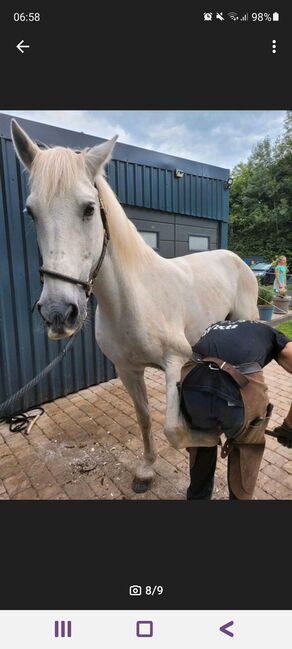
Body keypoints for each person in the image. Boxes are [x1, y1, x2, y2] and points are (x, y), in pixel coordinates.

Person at [177, 319, 292, 500]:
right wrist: (289, 426)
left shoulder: (216, 324)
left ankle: (197, 497)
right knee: (247, 446)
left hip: (193, 385)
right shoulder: (273, 334)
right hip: (238, 394)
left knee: (200, 441)